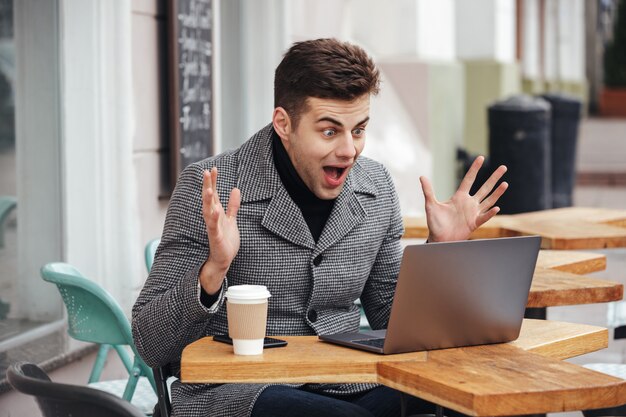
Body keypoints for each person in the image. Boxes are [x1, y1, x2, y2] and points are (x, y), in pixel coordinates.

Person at [132, 38, 508, 417]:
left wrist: (439, 253)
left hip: (348, 379)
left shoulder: (375, 187)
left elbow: (395, 324)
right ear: (284, 123)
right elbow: (150, 341)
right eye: (330, 131)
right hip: (240, 390)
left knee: (471, 398)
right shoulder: (211, 186)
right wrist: (213, 271)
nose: (349, 150)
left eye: (358, 130)